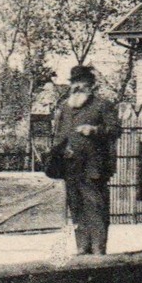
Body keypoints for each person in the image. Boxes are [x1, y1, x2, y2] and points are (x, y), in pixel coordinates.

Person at [53, 64, 121, 256]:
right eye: (73, 83)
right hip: (71, 166)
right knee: (76, 207)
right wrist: (60, 150)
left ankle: (99, 249)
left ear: (90, 85)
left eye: (80, 83)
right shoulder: (65, 107)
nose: (76, 87)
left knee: (95, 207)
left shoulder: (102, 105)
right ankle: (82, 248)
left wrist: (95, 130)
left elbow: (115, 130)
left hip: (94, 166)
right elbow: (59, 134)